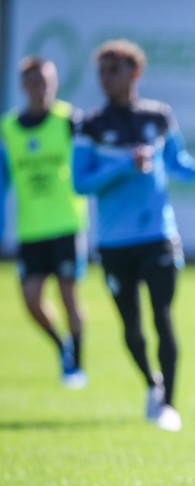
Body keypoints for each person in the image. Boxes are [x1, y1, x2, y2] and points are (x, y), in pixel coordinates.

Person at [73, 39, 195, 432]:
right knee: (131, 328)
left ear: (134, 73)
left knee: (162, 317)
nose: (106, 79)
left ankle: (169, 406)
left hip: (158, 234)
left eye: (114, 70)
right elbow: (80, 182)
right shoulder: (89, 125)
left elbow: (177, 162)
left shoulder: (158, 116)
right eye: (102, 71)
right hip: (113, 243)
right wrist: (125, 166)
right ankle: (151, 382)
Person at [0, 57, 89, 388]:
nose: (43, 88)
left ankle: (77, 361)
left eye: (48, 81)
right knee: (31, 300)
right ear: (24, 86)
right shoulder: (8, 128)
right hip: (31, 229)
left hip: (66, 224)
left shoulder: (69, 121)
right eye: (36, 82)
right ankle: (62, 345)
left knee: (69, 296)